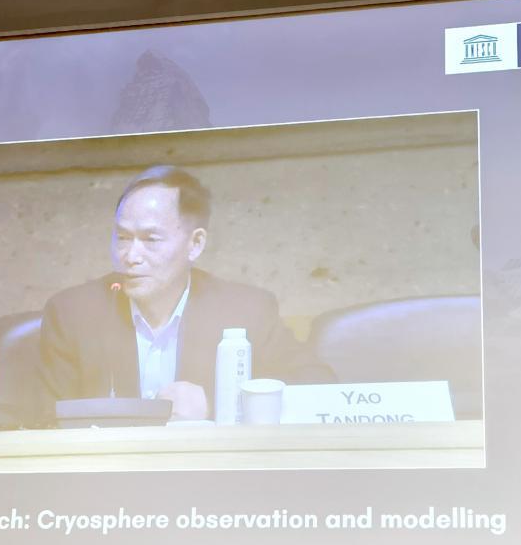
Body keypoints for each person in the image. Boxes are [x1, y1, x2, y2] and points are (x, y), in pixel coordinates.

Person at [37, 165, 334, 423]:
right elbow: (42, 417)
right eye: (123, 238)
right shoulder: (73, 313)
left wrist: (216, 405)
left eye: (151, 239)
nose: (130, 256)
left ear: (195, 244)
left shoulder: (246, 311)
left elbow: (319, 388)